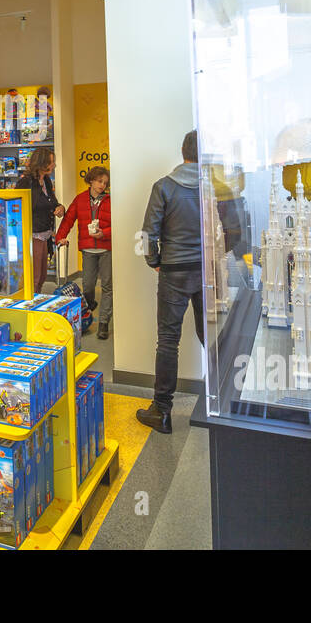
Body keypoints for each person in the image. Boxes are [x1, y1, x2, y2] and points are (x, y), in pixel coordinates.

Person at [136, 130, 204, 434]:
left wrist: (156, 262)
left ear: (182, 151)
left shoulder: (163, 187)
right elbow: (232, 232)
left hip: (173, 272)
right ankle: (225, 401)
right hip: (206, 272)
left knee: (167, 341)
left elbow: (146, 235)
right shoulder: (214, 187)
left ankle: (161, 412)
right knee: (212, 338)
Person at [55, 166, 112, 339]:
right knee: (87, 285)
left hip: (106, 248)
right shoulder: (80, 199)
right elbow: (68, 219)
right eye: (99, 181)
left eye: (105, 183)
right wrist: (60, 237)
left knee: (107, 287)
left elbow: (117, 221)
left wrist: (105, 233)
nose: (102, 185)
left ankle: (103, 323)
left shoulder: (111, 200)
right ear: (91, 180)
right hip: (88, 249)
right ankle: (90, 304)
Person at [15, 147, 63, 293]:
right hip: (31, 235)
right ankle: (29, 308)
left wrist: (60, 207)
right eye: (51, 162)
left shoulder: (46, 181)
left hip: (44, 235)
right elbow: (16, 208)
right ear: (41, 163)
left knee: (41, 276)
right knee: (33, 278)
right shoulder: (26, 183)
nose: (54, 165)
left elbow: (52, 202)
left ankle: (35, 305)